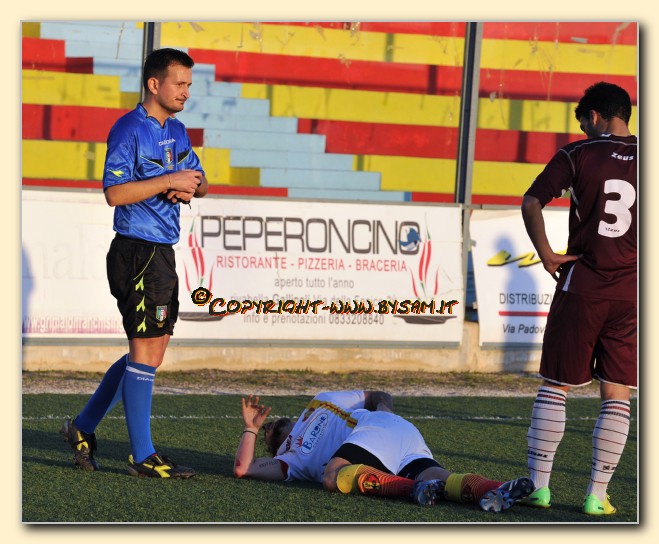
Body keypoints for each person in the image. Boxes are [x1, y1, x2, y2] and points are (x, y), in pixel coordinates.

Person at [60, 48, 208, 478]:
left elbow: (201, 182)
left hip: (161, 252)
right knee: (145, 351)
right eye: (179, 83)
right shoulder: (128, 129)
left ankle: (83, 427)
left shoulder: (177, 130)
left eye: (189, 85)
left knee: (149, 352)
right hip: (136, 251)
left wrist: (189, 186)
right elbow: (114, 193)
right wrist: (167, 180)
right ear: (154, 84)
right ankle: (142, 455)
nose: (186, 92)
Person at [520, 81, 637, 515]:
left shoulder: (578, 153)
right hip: (633, 294)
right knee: (617, 391)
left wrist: (547, 254)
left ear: (595, 116)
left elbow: (531, 202)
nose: (584, 130)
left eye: (584, 122)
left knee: (557, 384)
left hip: (583, 284)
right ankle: (596, 495)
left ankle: (539, 487)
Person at [235, 392, 534, 513]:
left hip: (380, 427)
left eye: (267, 425)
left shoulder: (319, 401)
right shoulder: (287, 460)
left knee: (332, 476)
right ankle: (498, 488)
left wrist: (383, 410)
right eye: (266, 433)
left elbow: (375, 394)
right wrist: (250, 428)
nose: (268, 426)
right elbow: (243, 468)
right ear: (273, 447)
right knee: (444, 480)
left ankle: (412, 489)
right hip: (394, 444)